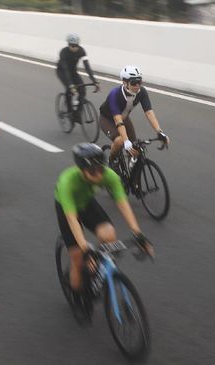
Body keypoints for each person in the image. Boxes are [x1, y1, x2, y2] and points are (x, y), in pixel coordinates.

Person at [55, 143, 154, 307]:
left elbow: (123, 205)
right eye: (92, 171)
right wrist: (85, 250)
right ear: (81, 170)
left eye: (100, 169)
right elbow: (72, 220)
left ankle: (97, 270)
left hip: (86, 202)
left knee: (108, 235)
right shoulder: (67, 181)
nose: (98, 175)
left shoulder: (109, 175)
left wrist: (138, 234)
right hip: (67, 208)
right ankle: (76, 293)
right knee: (78, 258)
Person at [99, 65, 169, 165]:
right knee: (120, 141)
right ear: (125, 83)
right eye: (133, 83)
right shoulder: (114, 94)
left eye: (139, 82)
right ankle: (111, 160)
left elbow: (149, 112)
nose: (137, 86)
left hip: (124, 119)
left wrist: (159, 132)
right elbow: (118, 120)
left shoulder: (142, 92)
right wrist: (126, 140)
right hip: (108, 119)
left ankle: (134, 173)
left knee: (135, 148)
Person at [56, 33, 99, 122]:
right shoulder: (64, 52)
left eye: (76, 45)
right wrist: (71, 85)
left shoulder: (82, 51)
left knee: (82, 91)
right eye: (72, 45)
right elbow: (65, 69)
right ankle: (69, 111)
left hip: (73, 72)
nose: (74, 47)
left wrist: (94, 81)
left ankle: (77, 114)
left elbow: (87, 66)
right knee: (69, 90)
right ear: (68, 45)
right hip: (63, 72)